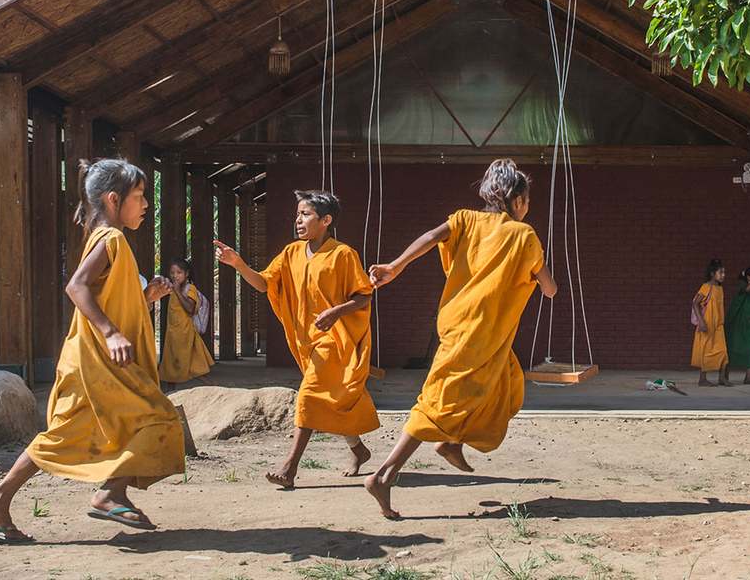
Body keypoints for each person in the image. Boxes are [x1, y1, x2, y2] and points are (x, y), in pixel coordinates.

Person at [0, 159, 184, 542]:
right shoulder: (112, 239)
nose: (146, 204)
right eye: (139, 196)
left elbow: (108, 298)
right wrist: (112, 333)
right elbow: (77, 287)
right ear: (114, 199)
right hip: (95, 361)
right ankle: (110, 493)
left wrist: (146, 298)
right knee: (160, 417)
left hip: (90, 359)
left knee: (67, 432)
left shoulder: (102, 238)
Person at [362, 159, 557, 520]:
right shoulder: (523, 235)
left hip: (463, 326)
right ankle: (385, 474)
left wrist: (395, 265)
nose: (528, 207)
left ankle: (451, 441)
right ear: (515, 199)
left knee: (505, 383)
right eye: (527, 200)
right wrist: (545, 281)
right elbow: (548, 289)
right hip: (478, 333)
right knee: (438, 400)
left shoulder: (465, 219)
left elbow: (431, 237)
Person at [216, 190, 377, 487]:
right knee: (328, 400)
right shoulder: (291, 253)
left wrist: (336, 312)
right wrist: (239, 265)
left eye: (305, 214)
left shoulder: (343, 254)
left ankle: (290, 468)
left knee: (309, 393)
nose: (298, 220)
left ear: (326, 220)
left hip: (335, 339)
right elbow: (265, 285)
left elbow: (364, 296)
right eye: (298, 214)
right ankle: (359, 449)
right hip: (305, 340)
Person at [157, 258, 215, 387]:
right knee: (171, 362)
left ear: (186, 274)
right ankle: (171, 392)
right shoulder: (171, 289)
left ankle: (209, 384)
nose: (175, 276)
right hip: (172, 332)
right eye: (172, 273)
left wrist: (178, 291)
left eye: (179, 272)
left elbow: (190, 309)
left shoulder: (190, 288)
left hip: (185, 331)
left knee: (187, 360)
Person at [692, 259, 730, 387]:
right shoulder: (706, 287)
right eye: (721, 273)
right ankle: (702, 378)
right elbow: (696, 304)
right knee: (705, 351)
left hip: (718, 325)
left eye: (724, 272)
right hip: (707, 324)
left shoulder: (719, 288)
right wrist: (702, 322)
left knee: (722, 351)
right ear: (713, 274)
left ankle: (722, 378)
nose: (723, 275)